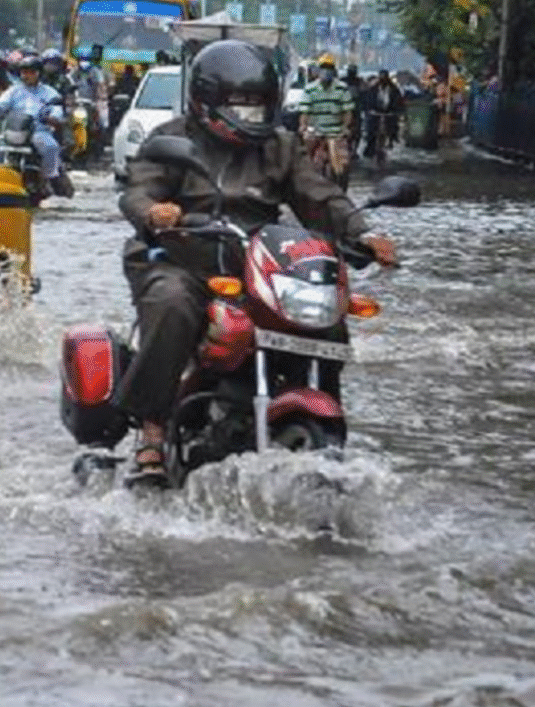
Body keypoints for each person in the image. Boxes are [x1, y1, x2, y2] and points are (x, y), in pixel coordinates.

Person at [113, 39, 398, 483]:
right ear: (205, 102)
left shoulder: (280, 147)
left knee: (325, 311)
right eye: (240, 108)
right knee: (171, 304)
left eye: (258, 107)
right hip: (180, 255)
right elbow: (138, 189)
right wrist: (153, 211)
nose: (251, 118)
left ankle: (318, 404)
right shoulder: (171, 139)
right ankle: (153, 427)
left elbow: (318, 196)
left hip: (254, 263)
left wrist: (363, 233)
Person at [0, 55, 64, 195]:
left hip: (38, 132)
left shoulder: (50, 93)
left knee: (51, 146)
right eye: (24, 72)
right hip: (13, 131)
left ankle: (50, 177)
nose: (27, 76)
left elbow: (57, 110)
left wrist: (52, 117)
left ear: (39, 74)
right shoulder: (13, 91)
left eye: (31, 72)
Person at [298, 55, 355, 186]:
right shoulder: (310, 89)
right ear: (318, 70)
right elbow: (305, 112)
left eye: (329, 68)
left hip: (336, 132)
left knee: (341, 165)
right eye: (323, 68)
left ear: (334, 71)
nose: (326, 71)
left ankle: (340, 185)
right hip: (315, 131)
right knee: (305, 157)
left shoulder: (342, 88)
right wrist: (303, 126)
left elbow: (347, 111)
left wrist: (345, 127)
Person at [363, 69, 402, 158]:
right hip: (375, 113)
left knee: (392, 126)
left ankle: (392, 139)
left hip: (389, 113)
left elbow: (398, 101)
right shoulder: (373, 89)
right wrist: (370, 110)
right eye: (381, 78)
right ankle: (370, 147)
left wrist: (396, 110)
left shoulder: (393, 89)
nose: (383, 80)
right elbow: (368, 100)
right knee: (371, 131)